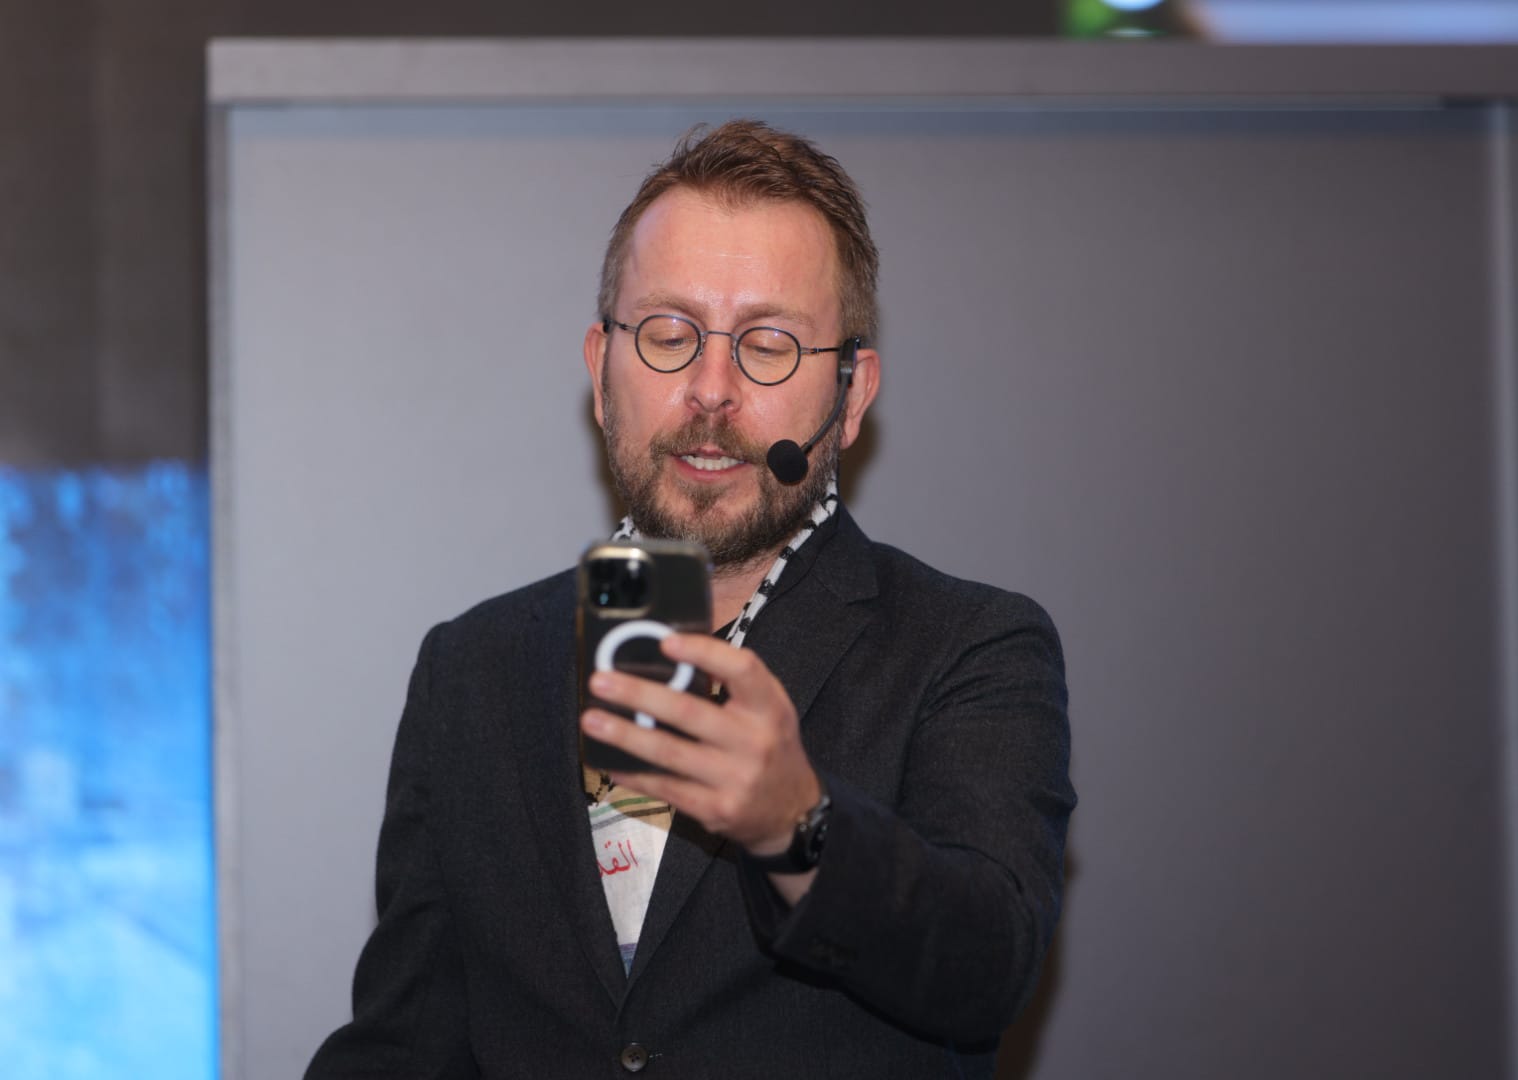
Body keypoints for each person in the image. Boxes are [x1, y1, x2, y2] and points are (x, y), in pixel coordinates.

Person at [306, 119, 1075, 1079]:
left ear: (850, 395)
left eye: (768, 345)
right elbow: (407, 1044)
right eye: (670, 335)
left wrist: (799, 827)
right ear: (601, 372)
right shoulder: (473, 669)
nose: (711, 392)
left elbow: (986, 965)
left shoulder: (970, 649)